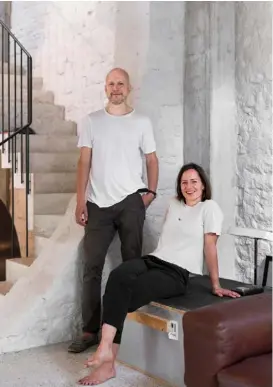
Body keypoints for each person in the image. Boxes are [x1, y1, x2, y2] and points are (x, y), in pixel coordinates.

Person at [78, 162, 241, 386]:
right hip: (154, 260)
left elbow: (210, 247)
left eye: (194, 182)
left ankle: (107, 360)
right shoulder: (173, 204)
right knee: (118, 275)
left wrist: (215, 284)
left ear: (203, 185)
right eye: (184, 182)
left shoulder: (209, 208)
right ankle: (106, 351)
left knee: (124, 294)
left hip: (177, 273)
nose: (189, 186)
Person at [68, 68, 159, 353]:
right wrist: (81, 200)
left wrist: (151, 193)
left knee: (132, 265)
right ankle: (89, 330)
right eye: (111, 84)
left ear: (129, 88)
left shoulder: (142, 121)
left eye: (120, 83)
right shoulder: (92, 121)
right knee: (91, 266)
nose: (116, 88)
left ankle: (126, 330)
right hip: (97, 204)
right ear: (105, 88)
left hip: (131, 201)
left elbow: (152, 160)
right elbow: (84, 162)